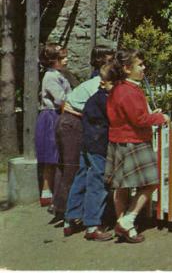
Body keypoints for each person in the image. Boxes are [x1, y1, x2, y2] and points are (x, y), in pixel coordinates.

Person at [105, 49, 169, 243]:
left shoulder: (119, 88)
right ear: (126, 68)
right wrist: (160, 117)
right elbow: (139, 119)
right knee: (151, 183)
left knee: (122, 186)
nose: (144, 68)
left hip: (118, 140)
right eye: (139, 65)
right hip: (133, 141)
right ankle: (128, 219)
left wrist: (150, 114)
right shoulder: (128, 91)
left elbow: (132, 114)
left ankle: (124, 227)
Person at [53, 46, 115, 220]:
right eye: (110, 60)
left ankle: (70, 212)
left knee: (76, 168)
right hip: (72, 121)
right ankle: (63, 210)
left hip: (74, 119)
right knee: (73, 167)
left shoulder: (98, 79)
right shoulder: (99, 83)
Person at [63, 64, 116, 241]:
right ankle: (92, 225)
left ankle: (70, 217)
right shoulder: (105, 100)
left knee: (82, 176)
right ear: (107, 82)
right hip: (98, 145)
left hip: (88, 143)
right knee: (98, 181)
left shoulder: (95, 97)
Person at [36, 43, 72, 207]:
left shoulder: (60, 74)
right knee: (51, 155)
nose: (66, 60)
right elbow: (60, 99)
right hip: (52, 116)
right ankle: (46, 191)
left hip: (59, 115)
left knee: (59, 155)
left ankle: (57, 191)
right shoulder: (50, 77)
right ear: (52, 61)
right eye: (62, 58)